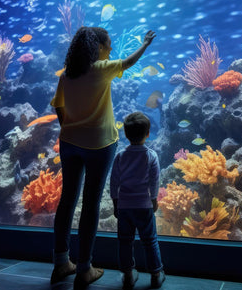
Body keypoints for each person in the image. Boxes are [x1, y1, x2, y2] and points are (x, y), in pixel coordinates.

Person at [49, 27, 156, 290]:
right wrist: (145, 44)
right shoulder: (101, 68)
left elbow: (59, 107)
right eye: (108, 45)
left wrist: (69, 128)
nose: (110, 49)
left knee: (67, 201)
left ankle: (61, 262)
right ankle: (84, 268)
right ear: (97, 47)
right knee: (91, 203)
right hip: (100, 143)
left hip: (69, 143)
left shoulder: (67, 75)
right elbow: (129, 62)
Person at [110, 112, 165, 289]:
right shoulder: (151, 156)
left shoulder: (120, 156)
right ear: (148, 133)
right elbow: (154, 180)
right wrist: (154, 198)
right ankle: (156, 274)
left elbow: (114, 181)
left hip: (125, 207)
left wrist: (115, 202)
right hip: (144, 206)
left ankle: (127, 275)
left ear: (125, 134)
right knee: (149, 240)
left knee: (125, 241)